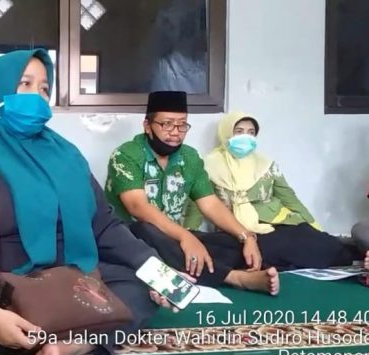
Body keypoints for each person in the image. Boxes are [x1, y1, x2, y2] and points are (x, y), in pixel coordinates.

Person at [0, 49, 176, 355]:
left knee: (138, 286)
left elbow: (104, 226)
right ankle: (73, 327)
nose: (37, 96)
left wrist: (158, 271)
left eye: (44, 88)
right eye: (25, 84)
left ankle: (73, 341)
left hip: (68, 277)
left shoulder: (66, 155)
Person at [104, 91, 279, 295]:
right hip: (129, 238)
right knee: (145, 231)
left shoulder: (189, 157)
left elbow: (210, 203)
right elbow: (138, 208)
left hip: (172, 236)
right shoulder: (125, 155)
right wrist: (185, 236)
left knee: (229, 242)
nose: (175, 132)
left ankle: (201, 268)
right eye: (167, 124)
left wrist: (246, 236)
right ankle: (235, 278)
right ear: (147, 126)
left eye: (182, 125)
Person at [186, 111, 352, 270]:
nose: (246, 137)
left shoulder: (266, 164)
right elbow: (199, 202)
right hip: (236, 230)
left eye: (251, 133)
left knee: (328, 247)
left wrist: (315, 226)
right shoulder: (209, 165)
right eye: (239, 131)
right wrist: (189, 234)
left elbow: (289, 198)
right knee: (223, 250)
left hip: (276, 224)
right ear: (226, 133)